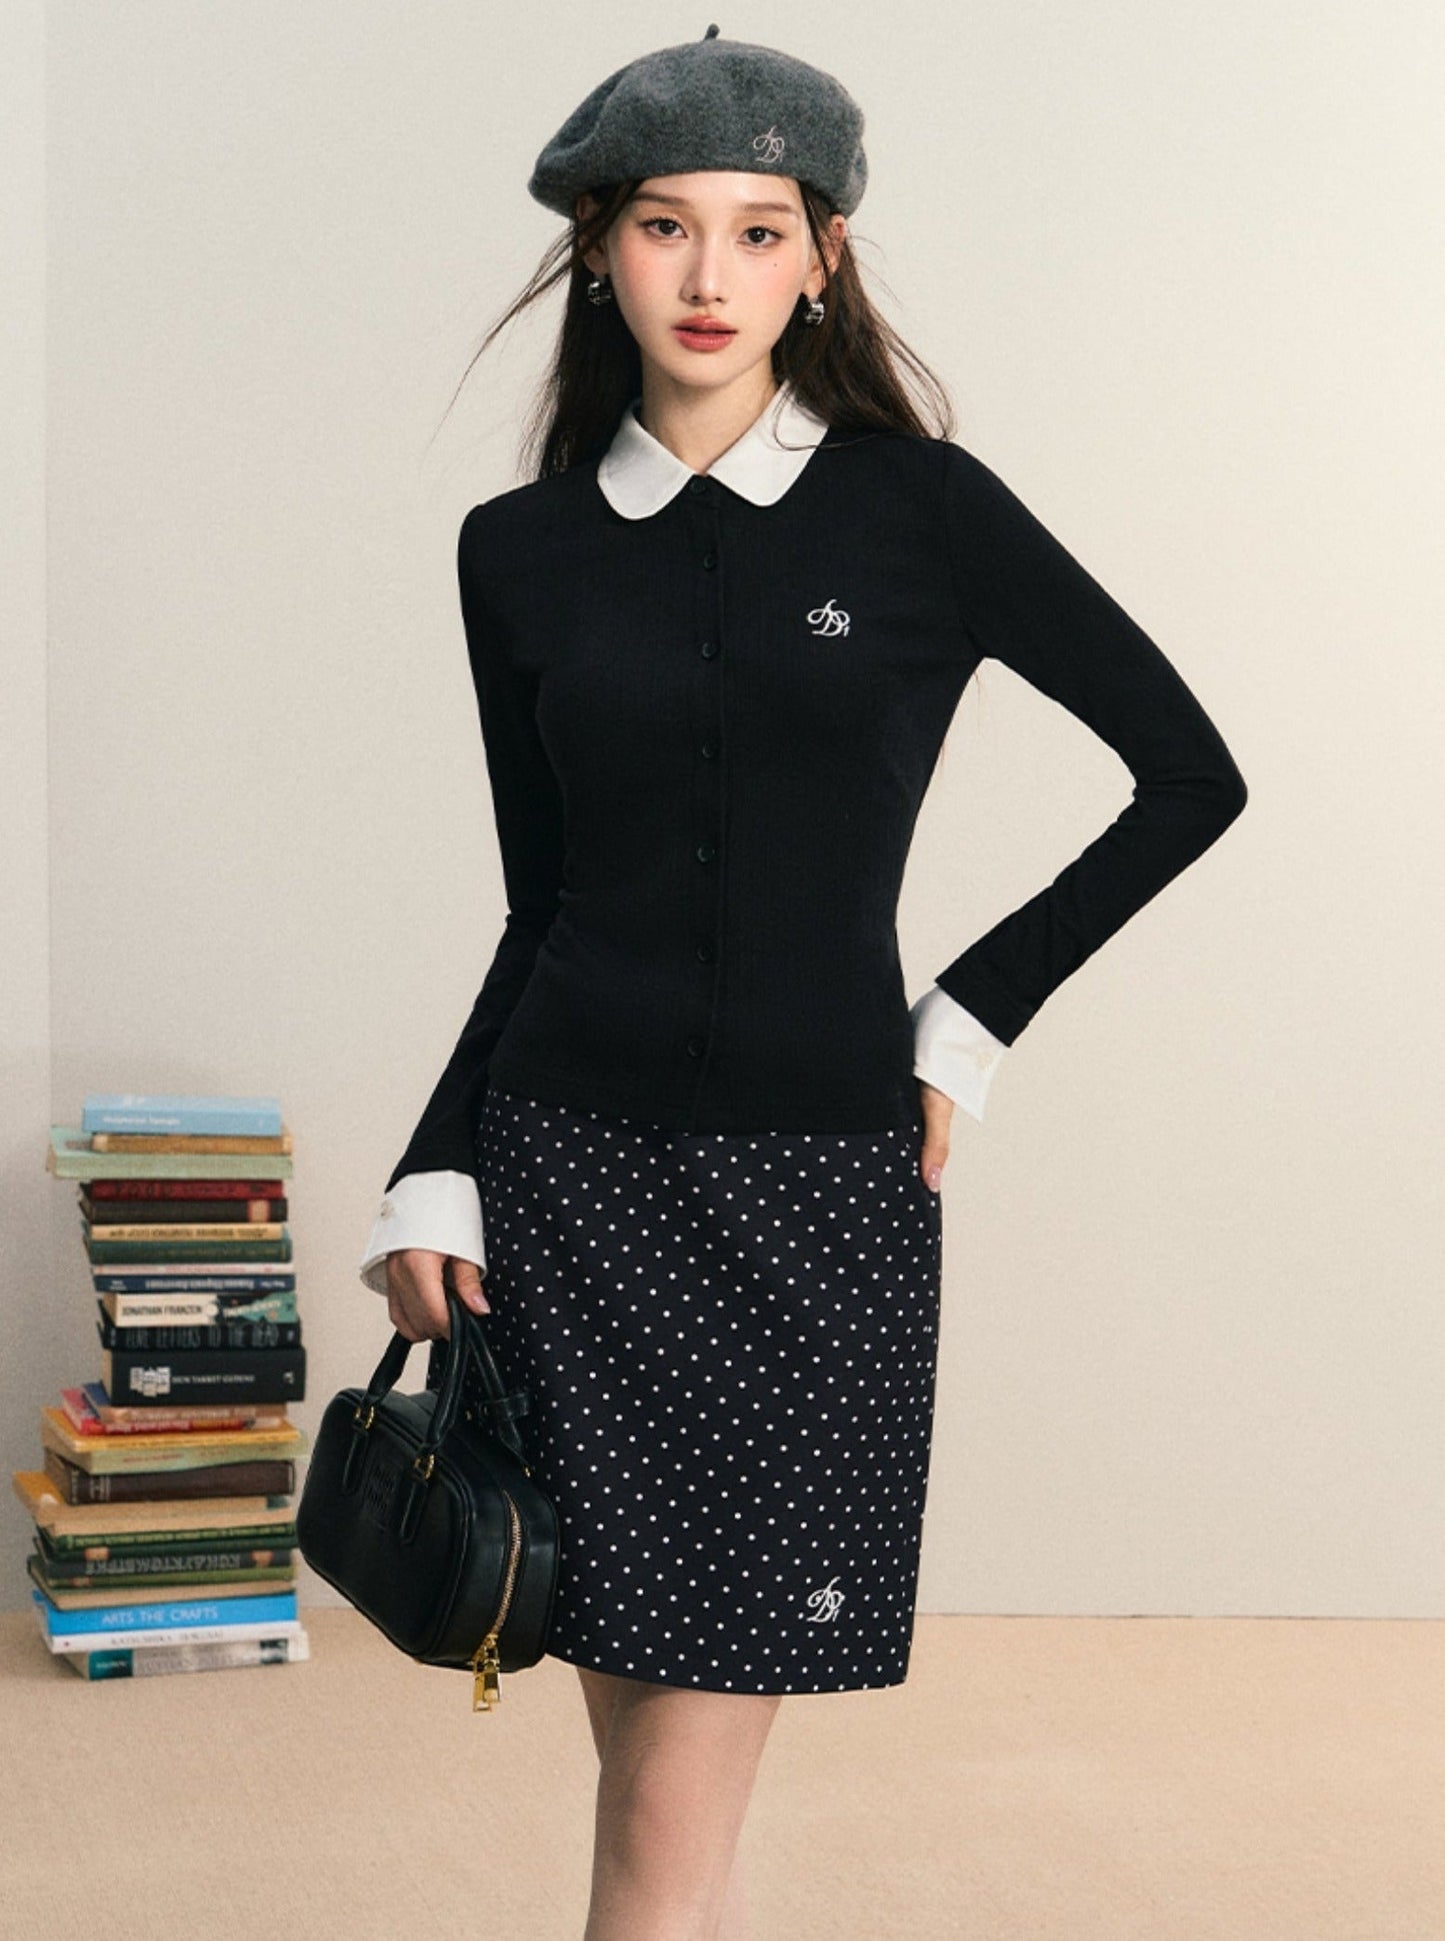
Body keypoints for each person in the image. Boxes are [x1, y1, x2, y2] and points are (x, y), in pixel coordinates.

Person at [357, 26, 1248, 1941]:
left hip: (812, 1208)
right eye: (664, 225)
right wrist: (436, 1169)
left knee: (666, 1815)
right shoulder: (518, 552)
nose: (708, 275)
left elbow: (1189, 776)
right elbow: (539, 905)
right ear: (597, 247)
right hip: (567, 1188)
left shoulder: (921, 511)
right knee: (651, 1806)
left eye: (759, 232)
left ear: (821, 259)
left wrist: (971, 1015)